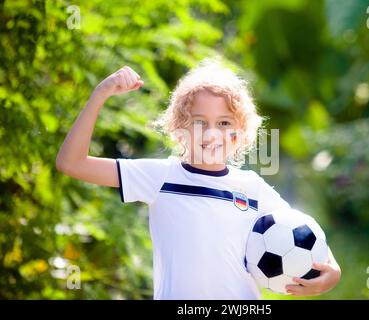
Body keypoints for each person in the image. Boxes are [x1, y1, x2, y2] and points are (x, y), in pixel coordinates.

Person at [56, 60, 341, 299]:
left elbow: (304, 235)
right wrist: (101, 93)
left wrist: (332, 273)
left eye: (224, 123)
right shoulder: (161, 177)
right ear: (179, 127)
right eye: (199, 122)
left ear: (240, 133)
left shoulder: (253, 188)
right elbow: (71, 163)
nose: (211, 134)